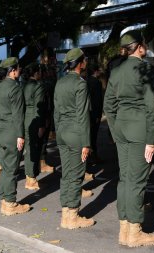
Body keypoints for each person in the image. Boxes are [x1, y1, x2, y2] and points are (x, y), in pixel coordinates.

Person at [103, 30, 154, 247]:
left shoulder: (116, 71)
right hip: (139, 131)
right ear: (139, 46)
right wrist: (152, 139)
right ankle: (134, 231)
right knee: (137, 181)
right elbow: (151, 107)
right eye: (144, 42)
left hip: (122, 129)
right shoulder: (145, 69)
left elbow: (109, 105)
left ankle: (125, 230)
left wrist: (115, 129)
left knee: (125, 178)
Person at [54, 48, 95, 229]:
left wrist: (57, 133)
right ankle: (72, 216)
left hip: (62, 132)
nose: (86, 62)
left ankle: (66, 215)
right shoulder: (81, 84)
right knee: (77, 175)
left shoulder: (60, 83)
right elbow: (83, 115)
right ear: (80, 63)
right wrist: (87, 142)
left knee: (67, 174)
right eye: (84, 59)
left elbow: (56, 112)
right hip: (76, 133)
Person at [0, 57, 30, 215]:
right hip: (12, 131)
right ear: (13, 70)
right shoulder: (15, 87)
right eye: (18, 68)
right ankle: (10, 203)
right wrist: (20, 135)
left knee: (5, 167)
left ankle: (4, 199)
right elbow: (18, 114)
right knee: (11, 169)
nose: (19, 71)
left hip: (1, 130)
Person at [22, 62, 47, 190]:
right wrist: (42, 125)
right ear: (36, 73)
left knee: (28, 147)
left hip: (25, 117)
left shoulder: (24, 86)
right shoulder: (38, 86)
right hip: (34, 118)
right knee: (34, 148)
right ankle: (31, 178)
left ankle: (29, 176)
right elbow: (40, 106)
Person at [86, 63, 103, 164]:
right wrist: (98, 115)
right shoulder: (96, 82)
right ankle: (93, 156)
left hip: (88, 111)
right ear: (96, 71)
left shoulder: (86, 81)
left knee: (89, 135)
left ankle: (91, 155)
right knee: (93, 136)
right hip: (94, 112)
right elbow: (97, 100)